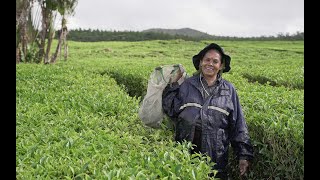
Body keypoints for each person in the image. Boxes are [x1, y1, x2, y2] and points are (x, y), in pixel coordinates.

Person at [162, 43, 254, 179]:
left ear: (221, 66)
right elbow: (171, 109)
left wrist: (244, 155)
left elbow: (238, 124)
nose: (210, 64)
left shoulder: (228, 90)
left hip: (215, 158)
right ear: (200, 62)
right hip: (184, 154)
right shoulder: (187, 85)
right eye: (207, 60)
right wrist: (173, 85)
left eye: (215, 61)